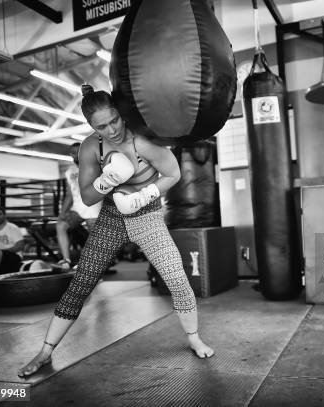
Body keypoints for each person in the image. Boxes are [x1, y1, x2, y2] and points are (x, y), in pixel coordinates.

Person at [17, 84, 214, 378]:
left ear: (121, 114)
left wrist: (143, 196)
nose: (112, 130)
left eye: (115, 121)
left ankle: (194, 338)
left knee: (177, 277)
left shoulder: (142, 141)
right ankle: (45, 351)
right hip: (110, 219)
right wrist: (105, 181)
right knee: (81, 282)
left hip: (147, 216)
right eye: (102, 126)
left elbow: (173, 173)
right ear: (91, 127)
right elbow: (87, 198)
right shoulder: (89, 149)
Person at [56, 143, 102, 269]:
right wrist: (62, 213)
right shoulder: (69, 171)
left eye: (78, 151)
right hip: (77, 208)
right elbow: (70, 195)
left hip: (94, 207)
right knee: (61, 226)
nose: (75, 154)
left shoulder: (96, 166)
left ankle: (94, 269)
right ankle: (66, 260)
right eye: (72, 152)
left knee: (94, 241)